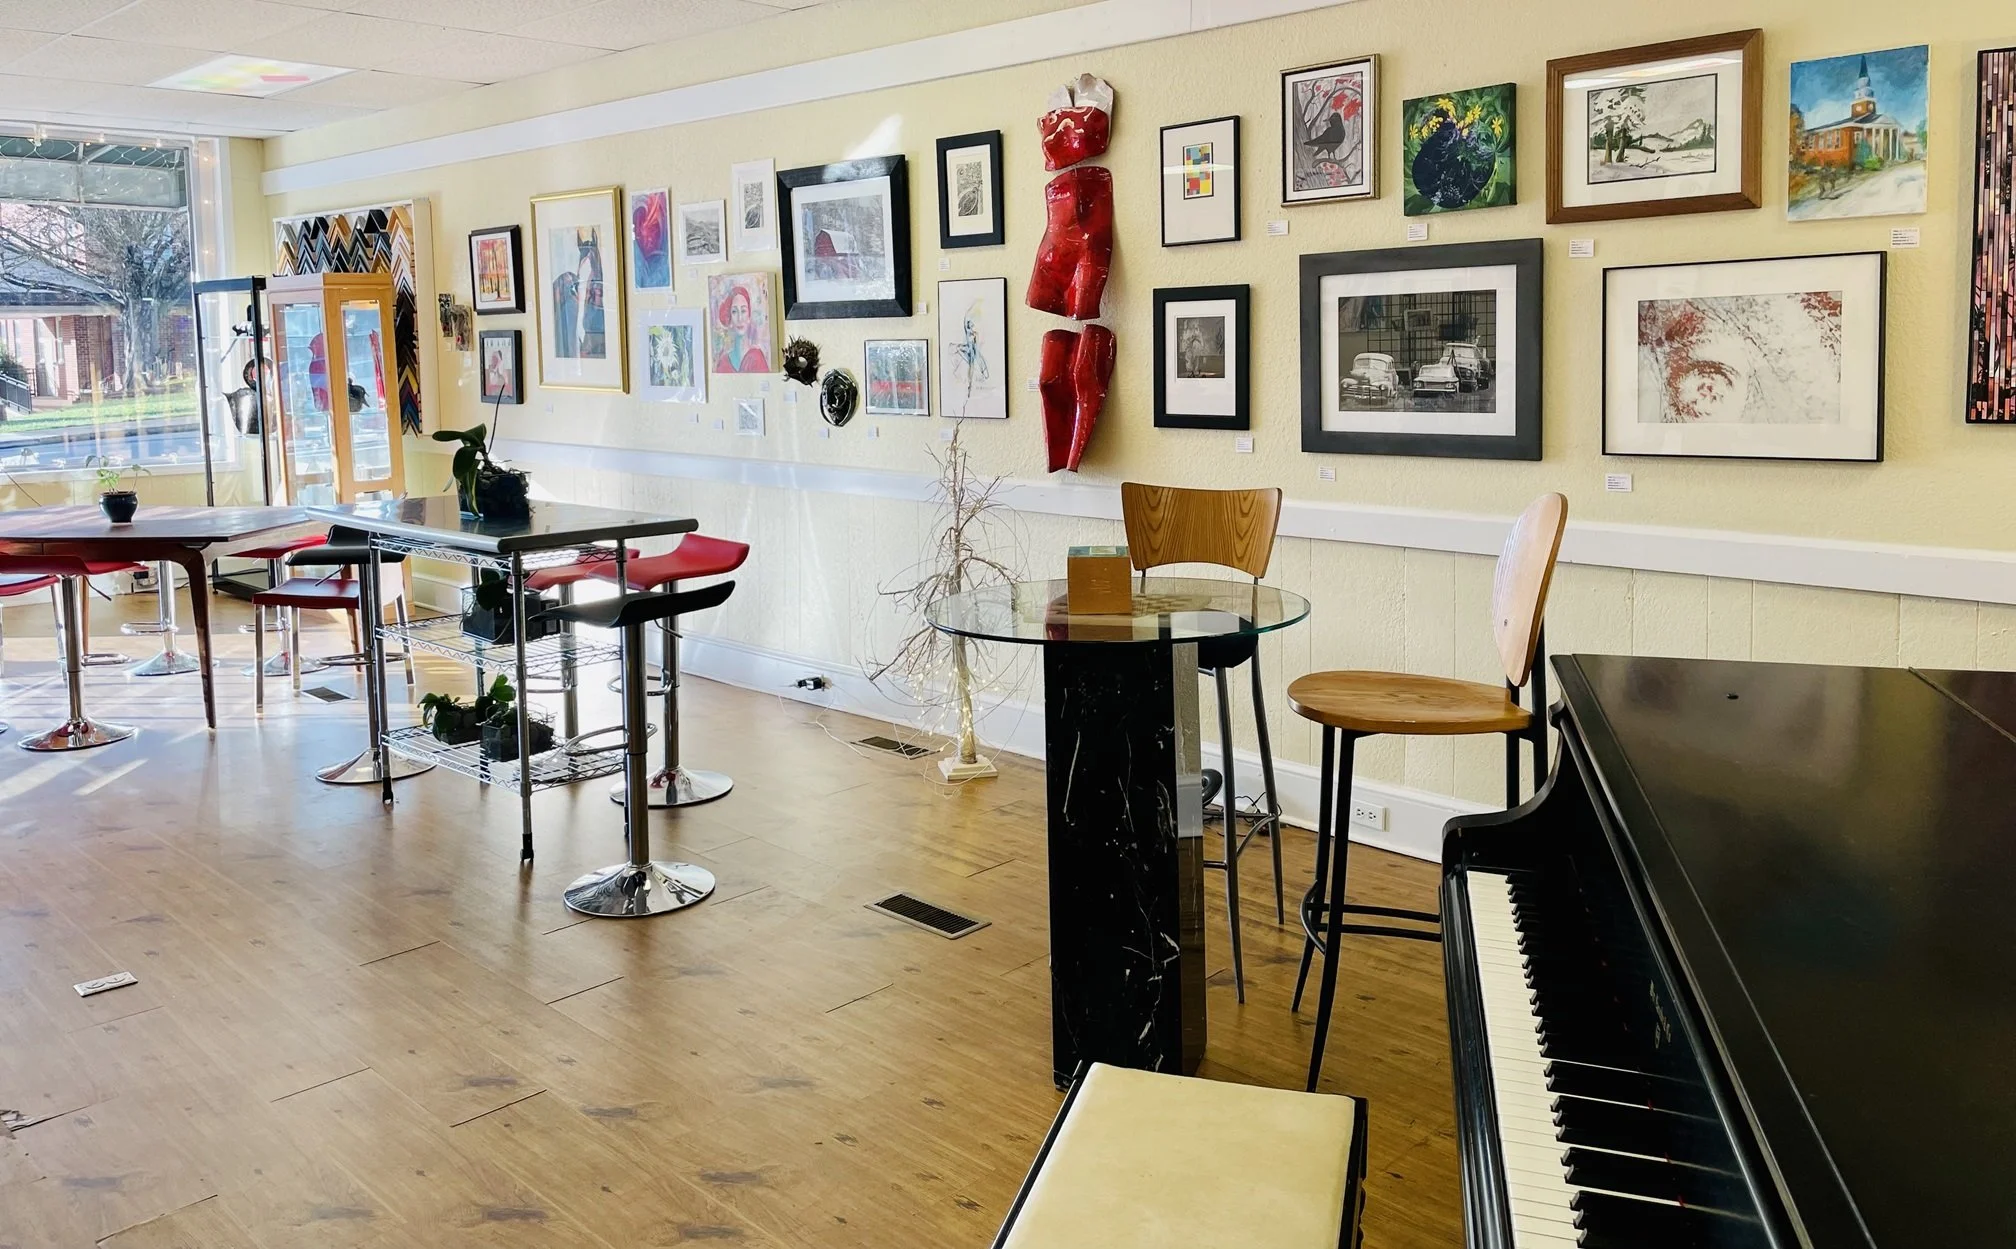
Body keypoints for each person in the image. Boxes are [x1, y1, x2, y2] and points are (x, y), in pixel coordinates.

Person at [713, 283, 769, 373]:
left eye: (743, 311)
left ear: (749, 317)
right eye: (734, 311)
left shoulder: (757, 357)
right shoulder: (723, 363)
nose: (740, 318)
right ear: (729, 318)